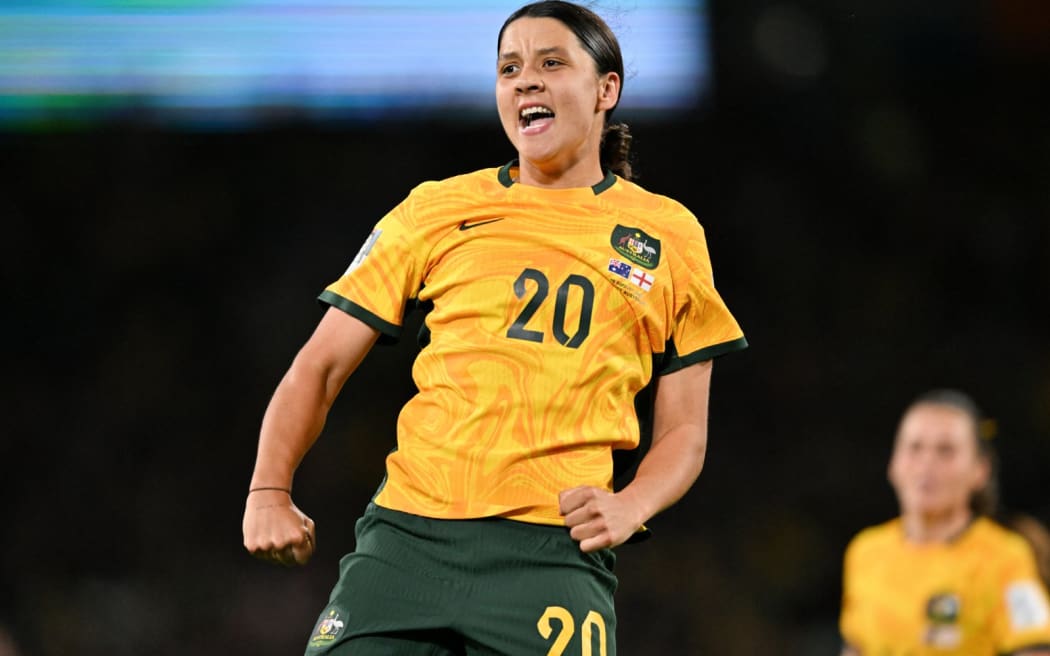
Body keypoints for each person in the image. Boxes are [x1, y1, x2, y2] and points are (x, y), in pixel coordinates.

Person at [242, 2, 747, 654]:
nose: (525, 80)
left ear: (606, 90)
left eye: (550, 63)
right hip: (407, 542)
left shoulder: (668, 234)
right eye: (510, 67)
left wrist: (633, 505)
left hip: (552, 556)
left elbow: (683, 430)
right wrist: (268, 489)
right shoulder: (436, 209)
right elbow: (320, 365)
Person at [840, 389, 1050, 655]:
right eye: (915, 447)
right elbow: (855, 647)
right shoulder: (866, 552)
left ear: (980, 470)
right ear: (893, 464)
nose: (926, 464)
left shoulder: (1004, 557)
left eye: (946, 451)